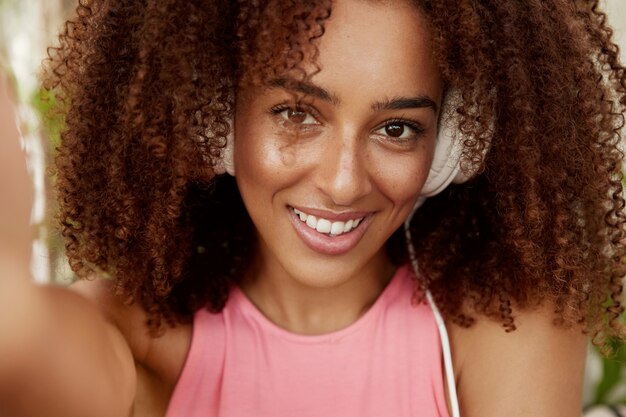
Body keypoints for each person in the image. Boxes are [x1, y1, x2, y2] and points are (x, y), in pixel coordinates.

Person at [1, 0, 625, 416]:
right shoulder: (132, 332)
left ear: (455, 145)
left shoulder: (512, 327)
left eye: (398, 129)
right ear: (215, 115)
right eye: (297, 113)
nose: (344, 182)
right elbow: (21, 344)